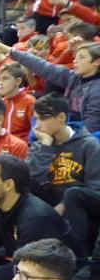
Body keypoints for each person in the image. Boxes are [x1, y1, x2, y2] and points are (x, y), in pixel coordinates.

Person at [27, 93, 100, 251]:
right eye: (36, 119)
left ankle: (80, 255)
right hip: (53, 204)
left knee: (73, 194)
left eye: (42, 119)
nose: (37, 126)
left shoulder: (90, 145)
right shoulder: (40, 145)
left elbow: (95, 188)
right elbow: (31, 179)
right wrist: (46, 146)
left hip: (85, 210)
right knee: (22, 182)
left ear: (61, 117)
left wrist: (63, 205)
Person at [0, 39, 100, 132]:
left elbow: (92, 125)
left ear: (97, 62)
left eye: (81, 57)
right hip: (68, 126)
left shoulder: (97, 90)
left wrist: (61, 133)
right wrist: (12, 51)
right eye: (75, 57)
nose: (75, 61)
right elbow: (43, 66)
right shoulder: (72, 77)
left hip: (86, 138)